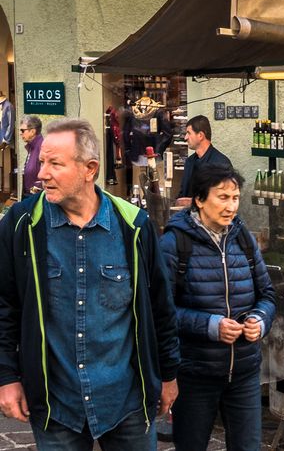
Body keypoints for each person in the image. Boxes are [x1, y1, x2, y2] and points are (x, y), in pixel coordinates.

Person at [0, 116, 179, 450]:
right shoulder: (21, 225)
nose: (42, 174)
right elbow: (3, 305)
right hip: (56, 405)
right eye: (42, 162)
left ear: (90, 168)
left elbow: (160, 308)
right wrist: (6, 377)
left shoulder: (133, 227)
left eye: (55, 163)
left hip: (125, 400)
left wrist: (167, 375)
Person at [160, 164, 274, 451]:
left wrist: (260, 320)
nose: (231, 206)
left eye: (235, 198)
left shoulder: (243, 239)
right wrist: (210, 326)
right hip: (195, 373)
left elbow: (268, 295)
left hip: (245, 372)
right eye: (222, 197)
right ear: (200, 199)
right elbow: (160, 312)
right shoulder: (174, 244)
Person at [171, 116, 233, 212]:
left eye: (189, 133)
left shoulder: (221, 164)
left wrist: (192, 202)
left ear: (200, 135)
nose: (185, 137)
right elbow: (183, 193)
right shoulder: (189, 162)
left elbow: (225, 200)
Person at [18, 118, 41, 197]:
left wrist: (33, 191)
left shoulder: (41, 146)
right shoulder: (32, 146)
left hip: (35, 196)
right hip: (30, 194)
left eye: (22, 130)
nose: (20, 134)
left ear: (32, 131)